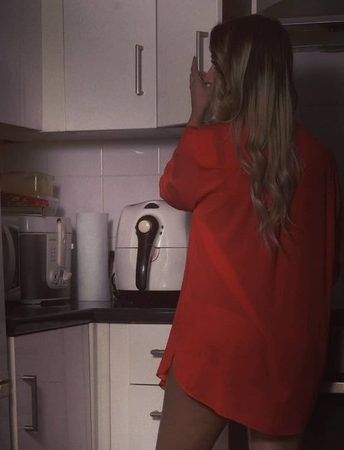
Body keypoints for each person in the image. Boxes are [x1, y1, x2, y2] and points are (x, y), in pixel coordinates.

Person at [155, 14, 341, 450]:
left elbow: (172, 189)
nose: (210, 74)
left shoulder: (208, 145)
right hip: (289, 351)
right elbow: (331, 265)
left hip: (217, 346)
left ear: (232, 76)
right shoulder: (320, 160)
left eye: (216, 64)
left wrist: (199, 113)